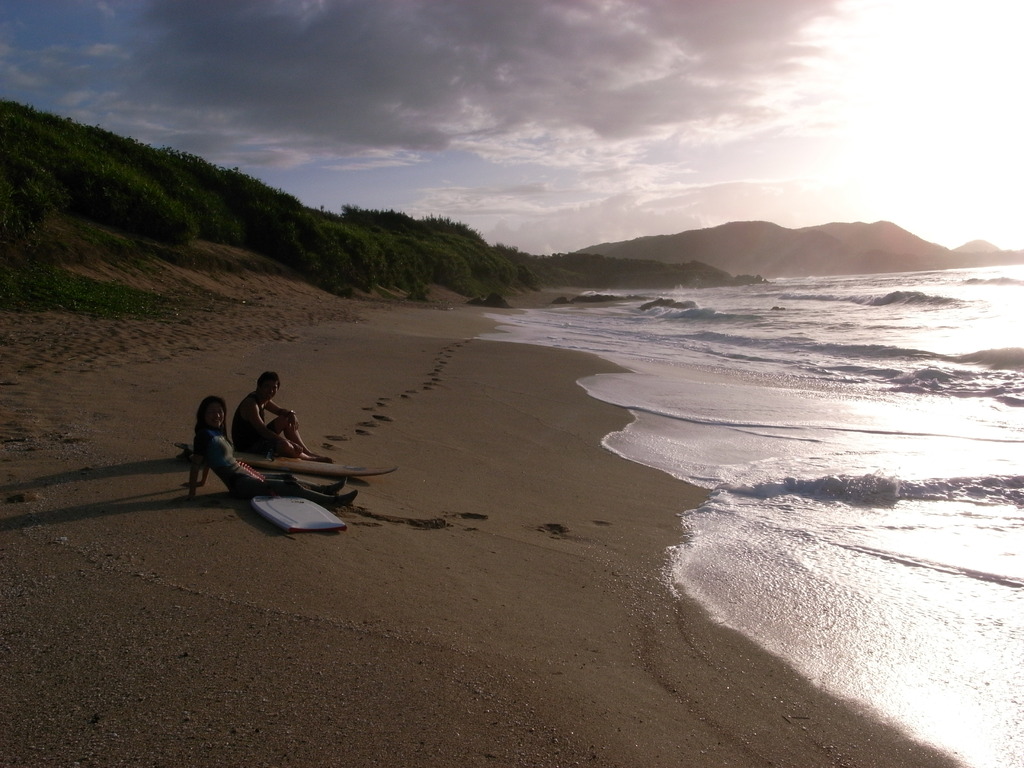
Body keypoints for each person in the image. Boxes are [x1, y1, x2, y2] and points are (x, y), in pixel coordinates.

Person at [189, 395, 356, 506]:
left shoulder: (218, 433)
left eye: (220, 411)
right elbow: (197, 462)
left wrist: (203, 482)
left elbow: (208, 459)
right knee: (290, 488)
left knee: (288, 477)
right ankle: (332, 501)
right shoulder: (203, 435)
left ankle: (325, 489)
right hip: (240, 484)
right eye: (211, 412)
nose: (217, 415)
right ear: (203, 414)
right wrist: (192, 493)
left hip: (246, 474)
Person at [230, 371, 332, 462]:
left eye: (274, 387)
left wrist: (291, 414)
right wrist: (287, 441)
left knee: (286, 419)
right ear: (259, 387)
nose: (270, 391)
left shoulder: (264, 399)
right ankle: (309, 458)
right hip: (248, 448)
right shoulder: (251, 404)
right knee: (284, 445)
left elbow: (280, 411)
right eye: (267, 386)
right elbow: (263, 431)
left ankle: (307, 452)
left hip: (259, 439)